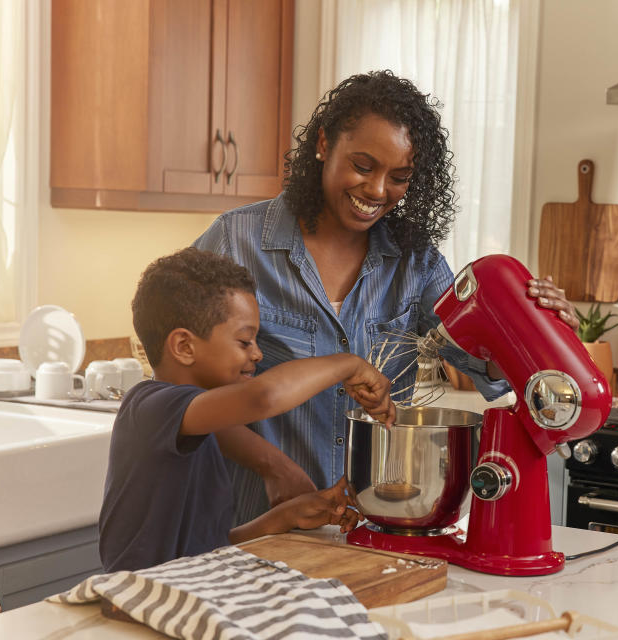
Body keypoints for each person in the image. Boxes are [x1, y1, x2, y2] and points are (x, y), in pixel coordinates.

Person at [193, 70, 579, 526]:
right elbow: (183, 392)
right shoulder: (236, 241)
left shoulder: (417, 265)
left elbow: (484, 365)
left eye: (399, 176)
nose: (377, 191)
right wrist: (275, 469)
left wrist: (542, 334)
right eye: (362, 165)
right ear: (323, 144)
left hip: (370, 523)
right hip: (252, 521)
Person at [98, 247, 395, 572]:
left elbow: (207, 551)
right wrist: (348, 364)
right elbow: (263, 397)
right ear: (184, 346)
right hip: (136, 602)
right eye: (244, 342)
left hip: (184, 589)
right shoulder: (150, 406)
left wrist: (282, 519)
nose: (257, 355)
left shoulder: (198, 425)